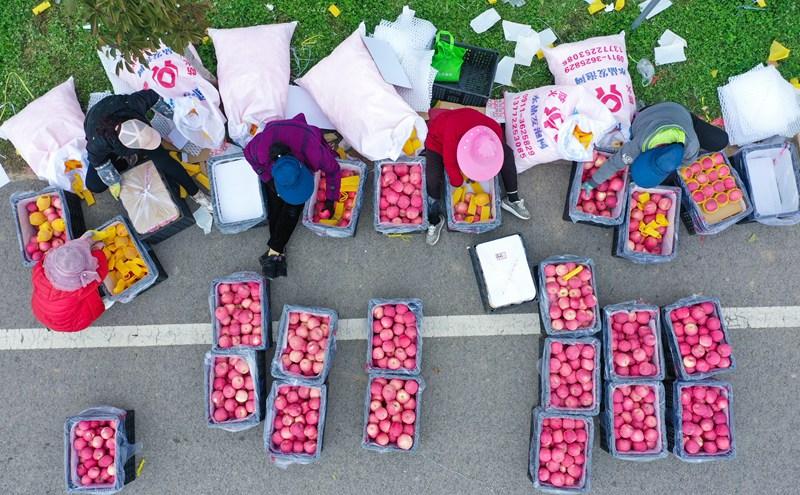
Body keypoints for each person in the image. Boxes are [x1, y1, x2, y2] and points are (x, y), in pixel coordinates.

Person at [244, 113, 342, 279]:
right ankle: (275, 250)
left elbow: (333, 170)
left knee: (293, 206)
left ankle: (275, 250)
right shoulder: (260, 151)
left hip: (301, 136)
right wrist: (268, 180)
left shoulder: (314, 153)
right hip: (275, 146)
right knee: (274, 201)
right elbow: (248, 154)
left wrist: (331, 199)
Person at [83, 89, 213, 211]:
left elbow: (155, 96)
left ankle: (197, 196)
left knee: (165, 161)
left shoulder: (133, 104)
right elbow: (99, 164)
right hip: (105, 138)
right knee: (94, 184)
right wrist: (113, 181)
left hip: (114, 108)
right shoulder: (98, 144)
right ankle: (126, 161)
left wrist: (180, 119)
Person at [424, 107, 530, 246]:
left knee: (507, 154)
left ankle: (512, 199)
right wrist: (458, 183)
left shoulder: (493, 130)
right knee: (432, 177)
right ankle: (435, 219)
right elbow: (450, 163)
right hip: (438, 141)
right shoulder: (452, 129)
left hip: (470, 138)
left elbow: (497, 153)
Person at [583, 102, 730, 190]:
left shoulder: (692, 149)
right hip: (653, 113)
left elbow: (675, 163)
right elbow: (615, 163)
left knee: (720, 141)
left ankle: (691, 121)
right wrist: (593, 182)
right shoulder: (638, 143)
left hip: (680, 116)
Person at [30, 236, 111, 332]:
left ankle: (51, 324)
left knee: (60, 307)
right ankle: (106, 302)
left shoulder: (40, 269)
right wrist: (97, 250)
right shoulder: (79, 289)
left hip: (40, 312)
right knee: (92, 302)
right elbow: (101, 271)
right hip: (70, 323)